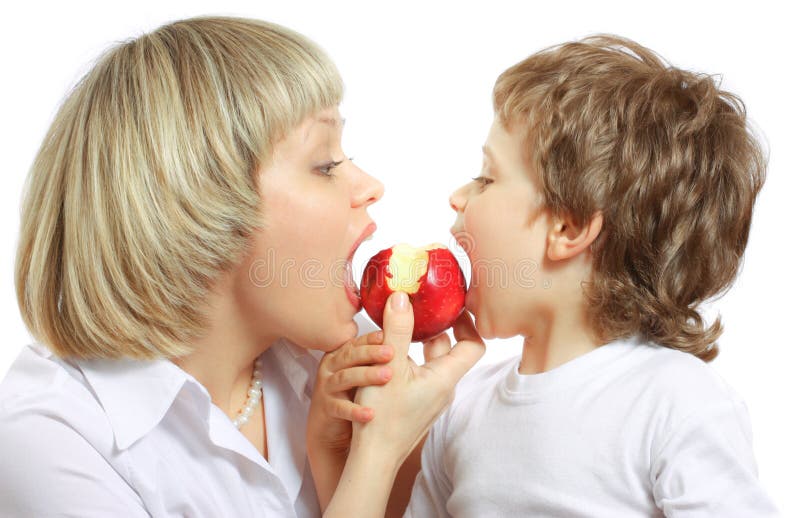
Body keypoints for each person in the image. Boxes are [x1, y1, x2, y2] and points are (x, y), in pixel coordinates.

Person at [0, 15, 483, 517]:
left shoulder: (339, 367)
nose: (370, 186)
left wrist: (359, 459)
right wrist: (377, 456)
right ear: (200, 206)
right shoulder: (52, 437)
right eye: (325, 165)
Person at [316, 35, 781, 516]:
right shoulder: (463, 409)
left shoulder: (676, 400)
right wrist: (336, 451)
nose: (458, 196)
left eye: (487, 178)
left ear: (569, 227)